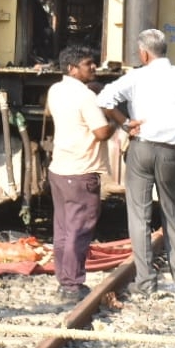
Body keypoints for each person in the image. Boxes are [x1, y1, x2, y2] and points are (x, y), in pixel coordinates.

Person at [97, 28, 175, 300]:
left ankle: (146, 282)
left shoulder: (137, 76)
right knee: (172, 213)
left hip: (141, 149)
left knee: (139, 217)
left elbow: (104, 99)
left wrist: (125, 122)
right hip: (169, 152)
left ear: (144, 53)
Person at [46, 44, 113, 301]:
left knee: (62, 228)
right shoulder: (85, 96)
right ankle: (73, 285)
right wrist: (114, 121)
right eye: (88, 64)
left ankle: (64, 281)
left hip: (59, 168)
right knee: (79, 229)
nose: (94, 67)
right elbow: (101, 133)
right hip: (81, 169)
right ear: (73, 69)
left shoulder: (55, 89)